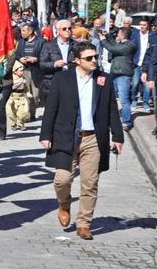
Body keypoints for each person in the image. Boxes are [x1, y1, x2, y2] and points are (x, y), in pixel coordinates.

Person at [39, 41, 124, 240]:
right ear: (77, 61)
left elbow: (112, 109)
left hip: (93, 138)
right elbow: (51, 109)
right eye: (88, 58)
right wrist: (45, 135)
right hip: (65, 137)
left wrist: (117, 137)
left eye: (95, 56)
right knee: (62, 179)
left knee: (90, 182)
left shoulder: (104, 79)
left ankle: (84, 223)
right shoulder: (62, 79)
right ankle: (64, 203)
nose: (94, 61)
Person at [98, 27, 136, 131]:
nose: (117, 35)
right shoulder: (121, 44)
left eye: (118, 33)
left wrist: (102, 40)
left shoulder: (130, 45)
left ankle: (126, 121)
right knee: (111, 97)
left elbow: (113, 49)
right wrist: (107, 36)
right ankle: (111, 119)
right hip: (114, 73)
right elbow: (114, 45)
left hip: (123, 74)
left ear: (123, 34)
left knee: (124, 99)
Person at [39, 19, 75, 105]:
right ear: (58, 30)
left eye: (69, 28)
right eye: (64, 28)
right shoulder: (48, 45)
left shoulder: (77, 45)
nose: (68, 30)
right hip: (53, 81)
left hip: (72, 80)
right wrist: (55, 64)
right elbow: (42, 64)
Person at [15, 23, 44, 119]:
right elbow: (17, 54)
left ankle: (32, 111)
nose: (21, 33)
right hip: (24, 70)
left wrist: (36, 59)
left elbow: (45, 56)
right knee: (25, 93)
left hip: (36, 70)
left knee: (35, 95)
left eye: (24, 31)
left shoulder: (41, 42)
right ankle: (26, 115)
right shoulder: (21, 42)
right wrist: (20, 59)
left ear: (30, 31)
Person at [130, 18, 157, 113]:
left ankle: (145, 102)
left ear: (148, 25)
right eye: (140, 24)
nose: (142, 26)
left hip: (148, 64)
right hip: (136, 63)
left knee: (146, 86)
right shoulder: (135, 34)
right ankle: (133, 100)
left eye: (144, 25)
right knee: (135, 83)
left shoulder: (153, 35)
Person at [6, 60, 31, 132]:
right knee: (11, 112)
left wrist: (28, 92)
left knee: (23, 111)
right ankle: (14, 123)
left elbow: (26, 87)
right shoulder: (11, 79)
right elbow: (9, 87)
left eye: (23, 70)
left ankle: (21, 123)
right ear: (15, 71)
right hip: (13, 97)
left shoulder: (23, 78)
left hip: (22, 97)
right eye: (20, 71)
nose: (22, 72)